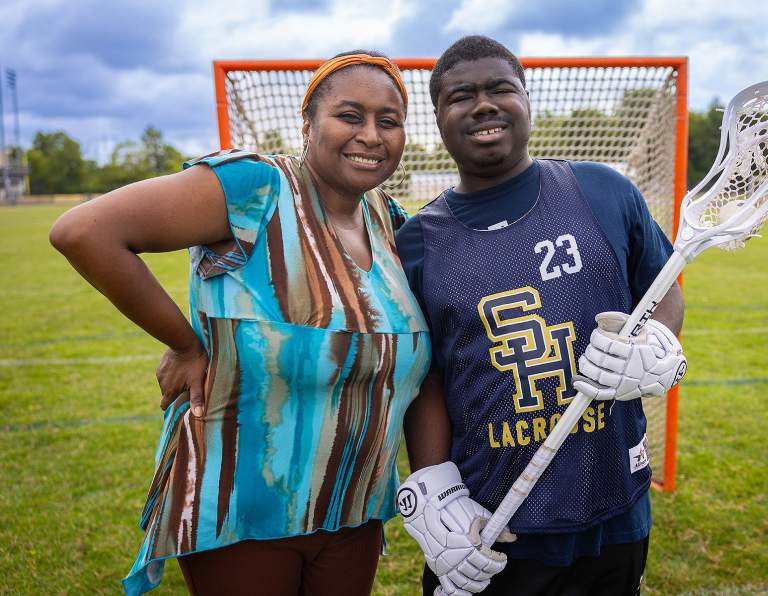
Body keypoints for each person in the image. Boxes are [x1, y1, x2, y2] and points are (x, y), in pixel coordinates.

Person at [49, 51, 431, 596]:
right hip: (241, 508)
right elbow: (84, 232)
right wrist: (185, 345)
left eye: (387, 121)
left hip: (353, 507)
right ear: (308, 125)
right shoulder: (258, 189)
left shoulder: (389, 222)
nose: (370, 134)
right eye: (350, 115)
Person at [395, 36, 686, 596]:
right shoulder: (416, 243)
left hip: (615, 505)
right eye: (461, 95)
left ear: (526, 100)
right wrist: (431, 484)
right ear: (438, 117)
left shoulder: (603, 190)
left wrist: (658, 341)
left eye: (500, 88)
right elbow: (423, 375)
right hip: (492, 519)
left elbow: (663, 287)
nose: (483, 104)